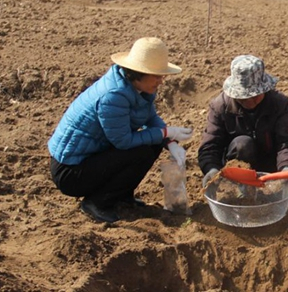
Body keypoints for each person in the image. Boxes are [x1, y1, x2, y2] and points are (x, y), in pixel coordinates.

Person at [48, 37, 193, 223]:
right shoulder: (113, 95)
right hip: (71, 170)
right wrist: (165, 133)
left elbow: (150, 118)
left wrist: (169, 141)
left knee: (152, 144)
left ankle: (121, 196)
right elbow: (123, 141)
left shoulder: (140, 88)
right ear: (139, 72)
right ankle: (96, 202)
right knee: (139, 152)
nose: (161, 80)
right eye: (157, 75)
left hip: (94, 156)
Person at [198, 54, 288, 210]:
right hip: (241, 164)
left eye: (255, 96)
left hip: (274, 161)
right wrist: (211, 169)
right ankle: (246, 194)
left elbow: (286, 141)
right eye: (243, 98)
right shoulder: (220, 106)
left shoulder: (279, 103)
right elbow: (211, 144)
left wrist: (287, 169)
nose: (249, 102)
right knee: (242, 143)